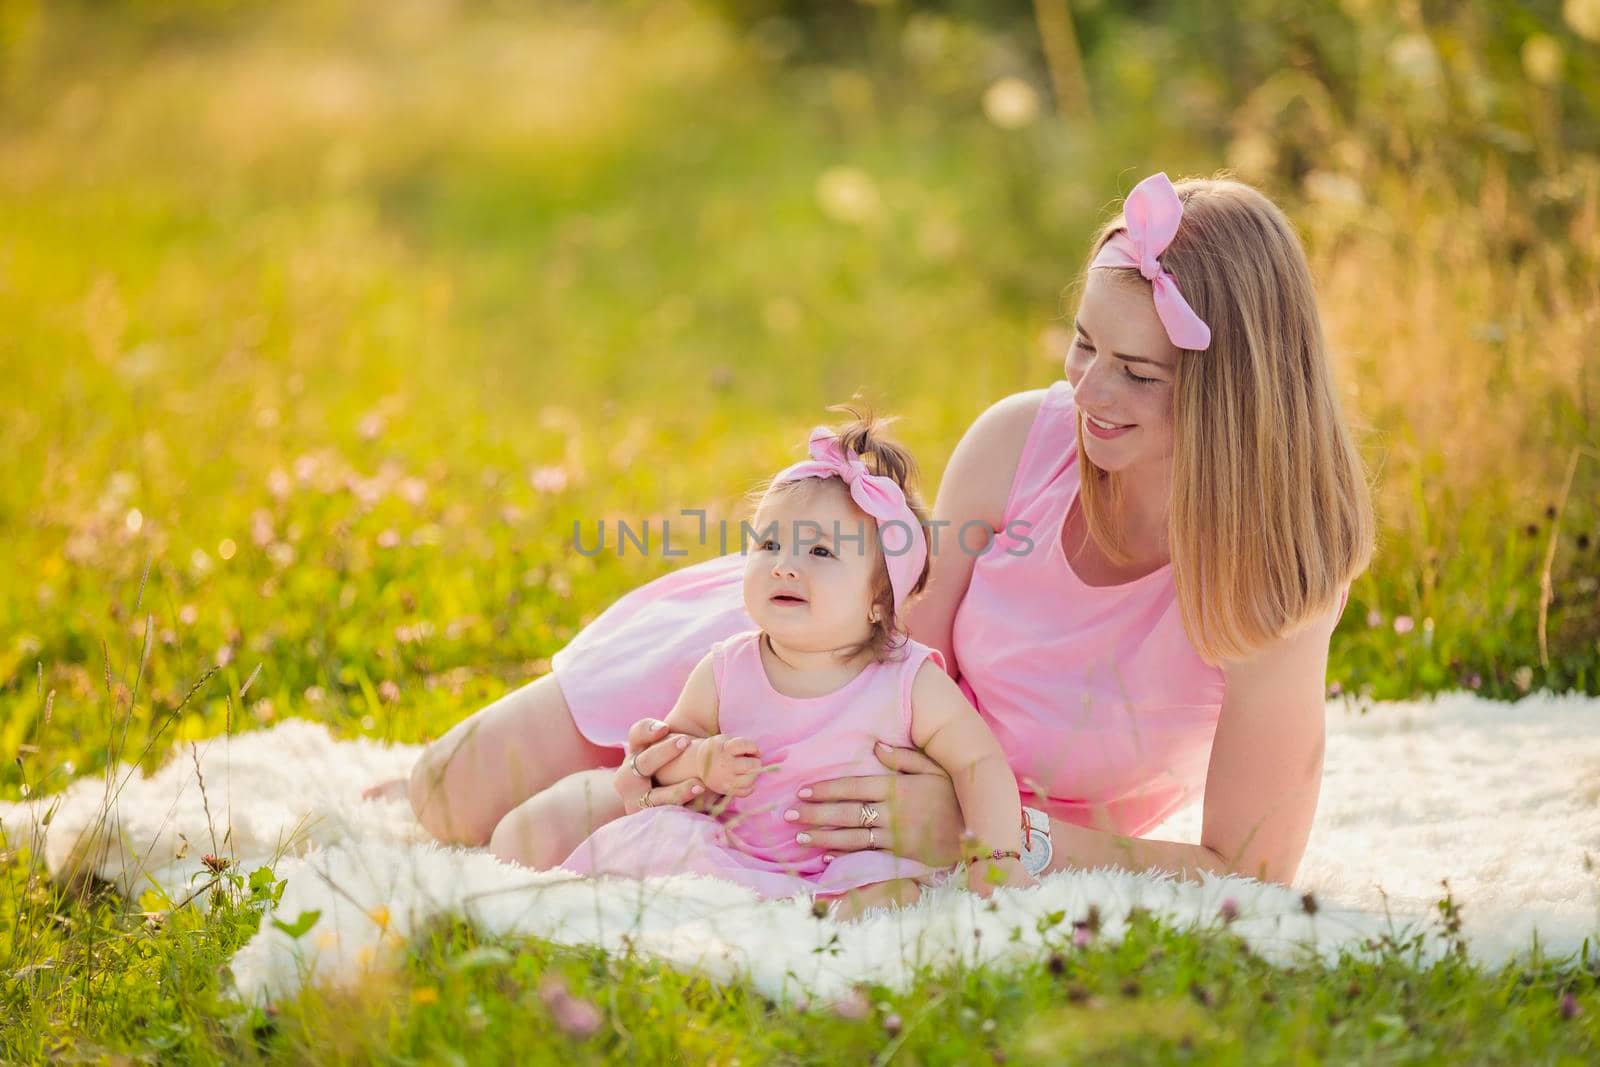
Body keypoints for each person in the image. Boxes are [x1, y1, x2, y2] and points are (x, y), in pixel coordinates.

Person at [373, 171, 1374, 892]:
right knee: (448, 798)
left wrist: (989, 835)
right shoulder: (1022, 440)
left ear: (1231, 391)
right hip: (808, 666)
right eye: (1081, 344)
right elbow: (898, 642)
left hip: (954, 809)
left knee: (576, 840)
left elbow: (1246, 869)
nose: (1087, 390)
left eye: (1137, 372)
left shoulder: (1278, 575)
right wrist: (721, 743)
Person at [555, 416, 1035, 920]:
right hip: (740, 854)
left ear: (879, 602)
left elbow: (979, 763)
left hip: (855, 862)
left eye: (820, 551)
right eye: (769, 545)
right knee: (660, 838)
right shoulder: (726, 669)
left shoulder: (910, 681)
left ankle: (839, 918)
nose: (785, 565)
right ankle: (724, 912)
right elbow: (669, 753)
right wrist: (700, 760)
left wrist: (994, 857)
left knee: (892, 887)